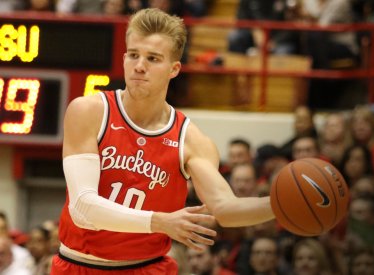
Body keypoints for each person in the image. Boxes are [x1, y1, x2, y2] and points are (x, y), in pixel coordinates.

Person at [51, 8, 275, 274]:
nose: (139, 65)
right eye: (133, 55)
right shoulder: (89, 111)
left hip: (149, 267)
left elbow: (225, 208)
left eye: (153, 58)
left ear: (174, 69)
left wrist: (282, 205)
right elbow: (83, 208)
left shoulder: (191, 140)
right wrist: (160, 222)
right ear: (124, 58)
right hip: (80, 265)